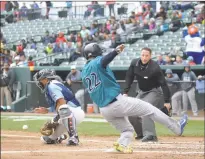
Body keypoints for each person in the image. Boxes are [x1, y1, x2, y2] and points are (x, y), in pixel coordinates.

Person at [81, 43, 188, 153]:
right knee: (149, 109)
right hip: (116, 102)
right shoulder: (97, 62)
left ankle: (122, 145)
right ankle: (177, 127)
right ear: (95, 53)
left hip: (104, 110)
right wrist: (115, 52)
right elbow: (104, 60)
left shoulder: (84, 71)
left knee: (127, 130)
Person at [123, 48, 172, 142]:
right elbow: (129, 76)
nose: (144, 57)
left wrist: (167, 101)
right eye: (142, 55)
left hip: (154, 91)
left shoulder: (155, 67)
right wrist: (125, 92)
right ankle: (141, 134)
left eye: (147, 56)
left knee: (145, 109)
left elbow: (163, 84)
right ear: (140, 55)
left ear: (150, 56)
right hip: (142, 91)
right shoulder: (134, 63)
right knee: (131, 112)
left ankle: (151, 135)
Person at [33, 69, 85, 146]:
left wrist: (54, 120)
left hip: (74, 112)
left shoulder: (52, 86)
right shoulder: (52, 85)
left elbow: (62, 103)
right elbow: (59, 104)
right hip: (68, 114)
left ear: (46, 79)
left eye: (40, 80)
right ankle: (60, 137)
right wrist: (47, 110)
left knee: (62, 109)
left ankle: (74, 137)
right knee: (46, 139)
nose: (39, 82)